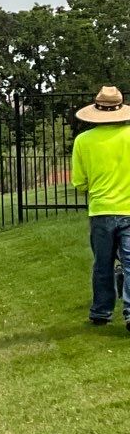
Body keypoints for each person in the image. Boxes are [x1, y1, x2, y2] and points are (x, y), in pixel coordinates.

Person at [71, 85, 130, 326]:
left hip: (100, 211)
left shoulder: (83, 141)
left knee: (102, 264)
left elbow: (80, 183)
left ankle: (101, 311)